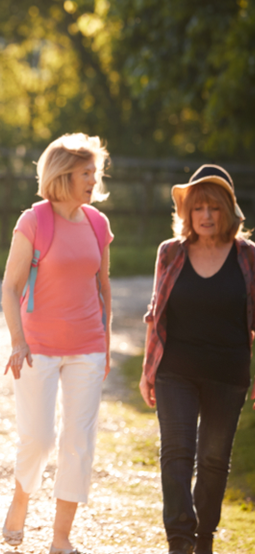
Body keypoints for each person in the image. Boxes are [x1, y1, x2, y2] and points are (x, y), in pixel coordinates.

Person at [0, 133, 113, 554]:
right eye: (87, 173)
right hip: (37, 346)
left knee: (79, 441)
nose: (93, 180)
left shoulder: (98, 224)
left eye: (94, 173)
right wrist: (17, 341)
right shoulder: (35, 221)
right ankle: (22, 496)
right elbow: (10, 289)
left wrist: (106, 340)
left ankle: (61, 538)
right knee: (40, 438)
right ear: (64, 174)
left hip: (88, 346)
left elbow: (103, 287)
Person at [139, 165, 254, 554]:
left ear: (228, 211)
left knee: (214, 459)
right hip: (176, 370)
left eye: (214, 208)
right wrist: (147, 371)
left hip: (228, 373)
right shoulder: (170, 253)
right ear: (186, 213)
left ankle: (204, 538)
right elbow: (156, 314)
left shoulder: (248, 257)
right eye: (198, 208)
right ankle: (180, 539)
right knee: (176, 452)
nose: (205, 216)